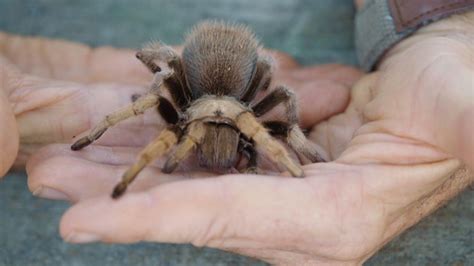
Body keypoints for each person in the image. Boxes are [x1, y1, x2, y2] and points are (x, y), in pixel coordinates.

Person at [1, 2, 472, 265]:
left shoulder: (254, 108)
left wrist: (445, 23)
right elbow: (157, 77)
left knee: (276, 85)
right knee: (156, 95)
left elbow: (280, 92)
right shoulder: (179, 99)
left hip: (296, 57)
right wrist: (100, 130)